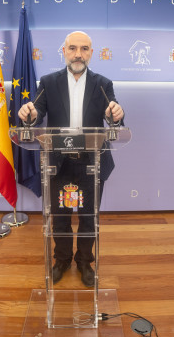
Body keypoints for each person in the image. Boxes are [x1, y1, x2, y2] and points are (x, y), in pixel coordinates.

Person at [18, 31, 124, 287]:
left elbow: (113, 117)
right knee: (60, 216)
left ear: (91, 53)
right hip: (59, 162)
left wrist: (117, 114)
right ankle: (62, 259)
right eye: (73, 48)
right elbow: (37, 115)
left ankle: (85, 262)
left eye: (84, 49)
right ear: (63, 51)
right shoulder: (48, 81)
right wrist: (28, 114)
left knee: (89, 217)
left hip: (91, 162)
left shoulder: (103, 84)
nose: (78, 54)